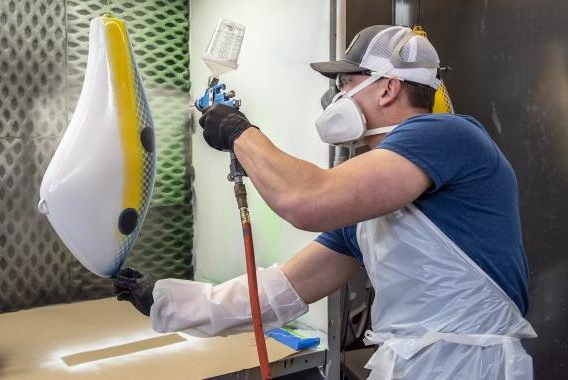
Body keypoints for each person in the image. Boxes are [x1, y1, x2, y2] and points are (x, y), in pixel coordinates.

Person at [114, 25, 536, 379]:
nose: (336, 98)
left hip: (468, 364)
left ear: (388, 87)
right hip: (413, 363)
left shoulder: (445, 135)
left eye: (346, 83)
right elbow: (280, 293)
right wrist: (168, 301)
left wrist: (240, 132)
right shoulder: (372, 204)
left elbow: (305, 200)